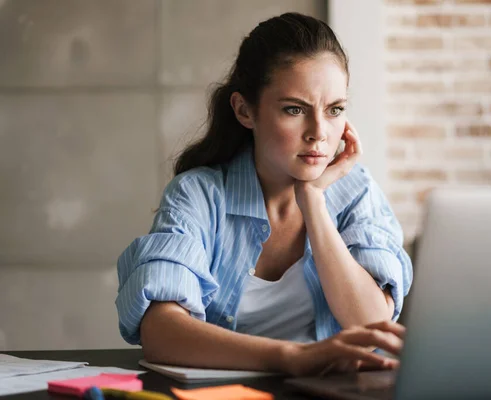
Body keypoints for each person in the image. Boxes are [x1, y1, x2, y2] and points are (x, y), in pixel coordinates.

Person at [115, 12, 413, 377]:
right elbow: (160, 332)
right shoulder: (200, 195)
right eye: (294, 109)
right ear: (245, 111)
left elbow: (370, 327)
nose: (319, 132)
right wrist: (292, 357)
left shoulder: (357, 191)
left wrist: (314, 202)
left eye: (335, 109)